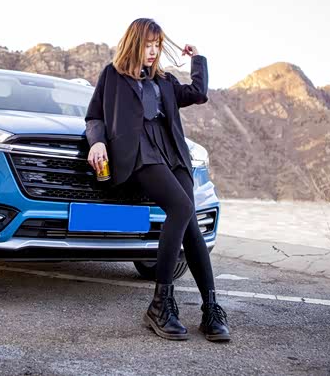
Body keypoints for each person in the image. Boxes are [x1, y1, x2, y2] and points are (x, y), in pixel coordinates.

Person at [84, 18, 230, 342]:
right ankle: (160, 304)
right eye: (148, 44)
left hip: (173, 153)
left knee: (190, 224)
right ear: (134, 43)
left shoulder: (164, 80)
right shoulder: (112, 75)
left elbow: (198, 93)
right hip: (139, 152)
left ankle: (210, 308)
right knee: (181, 207)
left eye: (157, 45)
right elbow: (94, 116)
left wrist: (197, 59)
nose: (153, 51)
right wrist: (97, 142)